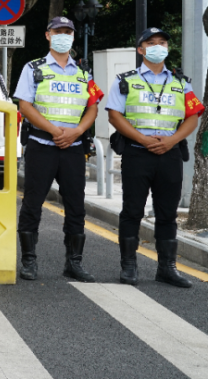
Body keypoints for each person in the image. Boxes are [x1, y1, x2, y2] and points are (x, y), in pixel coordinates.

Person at [107, 27, 204, 287]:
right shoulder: (124, 80)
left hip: (170, 154)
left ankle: (167, 268)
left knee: (167, 213)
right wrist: (142, 139)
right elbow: (114, 115)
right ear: (141, 49)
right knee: (132, 211)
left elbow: (192, 116)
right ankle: (129, 266)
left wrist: (171, 140)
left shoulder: (181, 82)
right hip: (137, 153)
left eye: (162, 42)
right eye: (151, 43)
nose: (158, 46)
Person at [13, 16, 103, 282]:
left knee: (76, 206)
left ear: (73, 37)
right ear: (48, 35)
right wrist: (54, 131)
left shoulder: (84, 73)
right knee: (32, 204)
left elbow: (93, 107)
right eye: (58, 31)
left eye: (67, 32)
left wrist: (76, 131)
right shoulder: (34, 68)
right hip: (42, 145)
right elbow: (25, 105)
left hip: (74, 147)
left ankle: (73, 263)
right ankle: (29, 261)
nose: (63, 35)